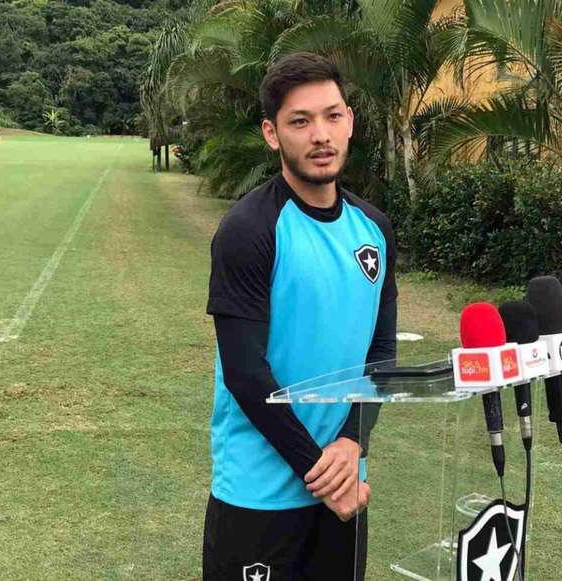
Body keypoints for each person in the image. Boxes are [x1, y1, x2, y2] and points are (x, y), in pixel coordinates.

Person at [203, 52, 397, 581]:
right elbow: (246, 374)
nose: (320, 135)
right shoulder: (249, 230)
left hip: (342, 481)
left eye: (332, 116)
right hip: (261, 494)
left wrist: (354, 440)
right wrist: (322, 473)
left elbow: (380, 353)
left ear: (350, 121)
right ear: (272, 133)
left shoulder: (373, 229)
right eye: (300, 121)